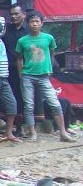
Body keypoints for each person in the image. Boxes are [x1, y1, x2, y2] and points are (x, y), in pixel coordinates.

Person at [15, 11, 76, 142]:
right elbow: (19, 59)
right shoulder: (22, 40)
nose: (34, 24)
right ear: (28, 23)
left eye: (37, 21)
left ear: (42, 23)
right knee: (29, 105)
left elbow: (52, 53)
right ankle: (33, 133)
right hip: (27, 76)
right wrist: (21, 75)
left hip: (44, 76)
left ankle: (63, 132)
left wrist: (49, 68)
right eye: (32, 22)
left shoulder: (48, 38)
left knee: (54, 103)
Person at [2, 2, 29, 133]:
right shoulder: (6, 30)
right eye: (11, 14)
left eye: (16, 14)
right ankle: (11, 125)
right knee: (11, 97)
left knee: (24, 96)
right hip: (8, 69)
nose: (13, 17)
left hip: (26, 69)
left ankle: (23, 125)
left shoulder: (29, 30)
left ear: (24, 14)